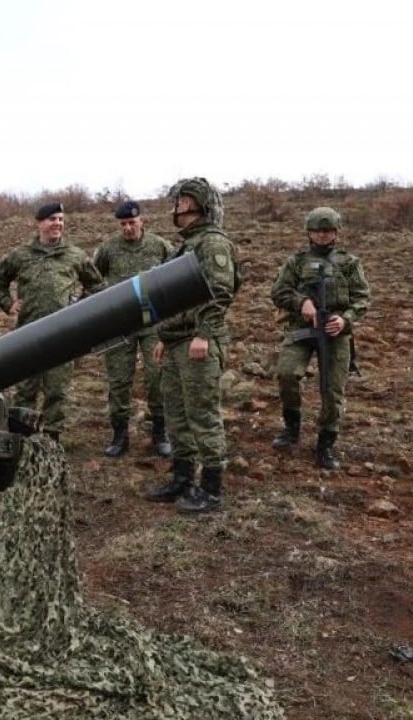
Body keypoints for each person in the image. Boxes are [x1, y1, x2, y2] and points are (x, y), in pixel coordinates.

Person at [141, 178, 240, 513]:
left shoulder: (212, 243)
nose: (177, 205)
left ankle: (211, 487)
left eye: (182, 199)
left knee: (202, 413)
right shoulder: (185, 246)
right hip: (177, 341)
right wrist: (164, 337)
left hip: (198, 342)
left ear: (197, 204)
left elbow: (220, 291)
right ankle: (182, 478)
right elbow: (173, 299)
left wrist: (204, 334)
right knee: (177, 413)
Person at [0, 202, 104, 442]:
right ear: (39, 223)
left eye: (61, 219)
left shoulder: (74, 255)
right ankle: (22, 441)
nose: (57, 224)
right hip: (28, 334)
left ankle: (52, 442)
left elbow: (97, 285)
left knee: (57, 391)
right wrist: (8, 304)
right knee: (25, 389)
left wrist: (79, 306)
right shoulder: (21, 255)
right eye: (52, 219)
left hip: (63, 335)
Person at [270, 207, 371, 470]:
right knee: (286, 374)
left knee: (332, 389)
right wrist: (301, 302)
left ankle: (326, 443)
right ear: (309, 233)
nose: (323, 235)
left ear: (336, 232)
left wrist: (345, 319)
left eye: (328, 231)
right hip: (301, 327)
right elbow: (279, 291)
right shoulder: (296, 262)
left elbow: (362, 298)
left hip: (335, 332)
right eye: (317, 230)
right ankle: (291, 427)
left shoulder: (349, 263)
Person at [91, 200, 175, 458]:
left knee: (156, 377)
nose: (127, 228)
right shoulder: (108, 249)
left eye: (132, 223)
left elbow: (174, 276)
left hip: (153, 324)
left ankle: (160, 432)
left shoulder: (159, 246)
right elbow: (93, 278)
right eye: (123, 224)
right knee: (118, 381)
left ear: (141, 221)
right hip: (121, 325)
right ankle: (119, 435)